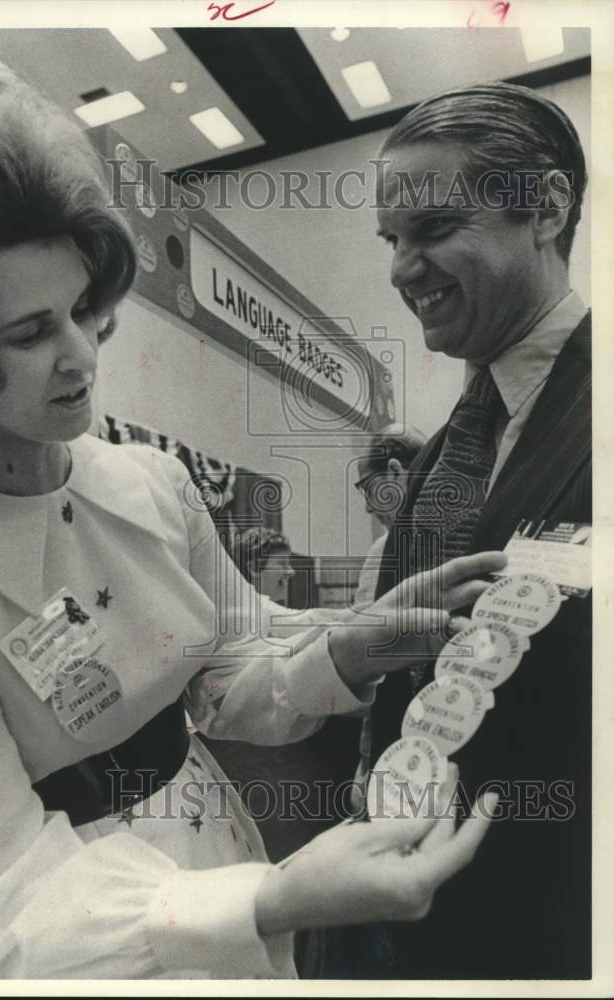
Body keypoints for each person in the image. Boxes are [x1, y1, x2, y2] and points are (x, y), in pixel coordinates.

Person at [0, 50, 501, 980]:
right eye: (32, 333)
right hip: (73, 937)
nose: (82, 354)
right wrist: (268, 900)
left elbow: (228, 667)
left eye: (82, 308)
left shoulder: (154, 484)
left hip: (211, 839)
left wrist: (356, 645)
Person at [368, 81, 591, 978]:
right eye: (391, 241)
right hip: (407, 918)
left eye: (432, 231)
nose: (399, 269)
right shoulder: (439, 455)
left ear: (544, 207)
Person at [353, 423, 428, 607]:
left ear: (394, 473)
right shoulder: (380, 550)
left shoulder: (382, 551)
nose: (368, 508)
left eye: (369, 489)